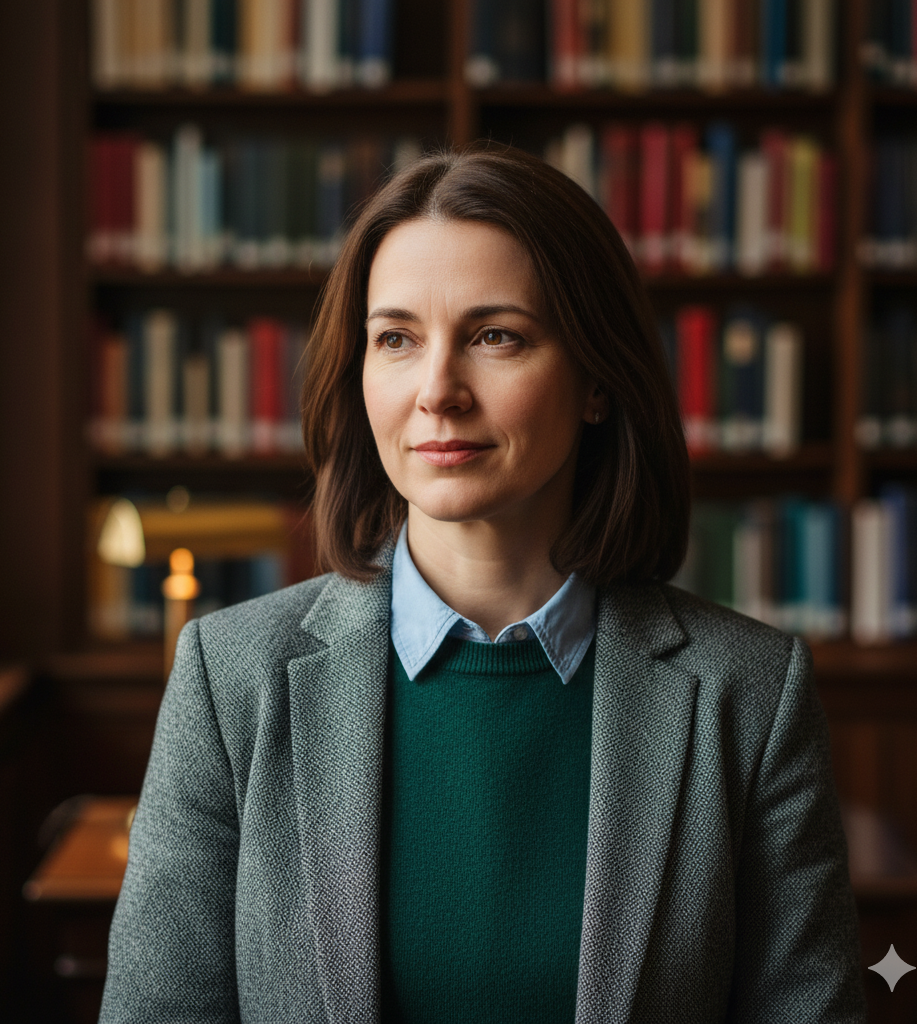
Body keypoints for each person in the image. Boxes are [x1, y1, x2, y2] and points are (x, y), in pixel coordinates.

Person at [98, 144, 865, 1023]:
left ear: (597, 381)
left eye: (496, 336)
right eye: (396, 339)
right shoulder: (229, 680)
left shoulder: (751, 696)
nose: (438, 391)